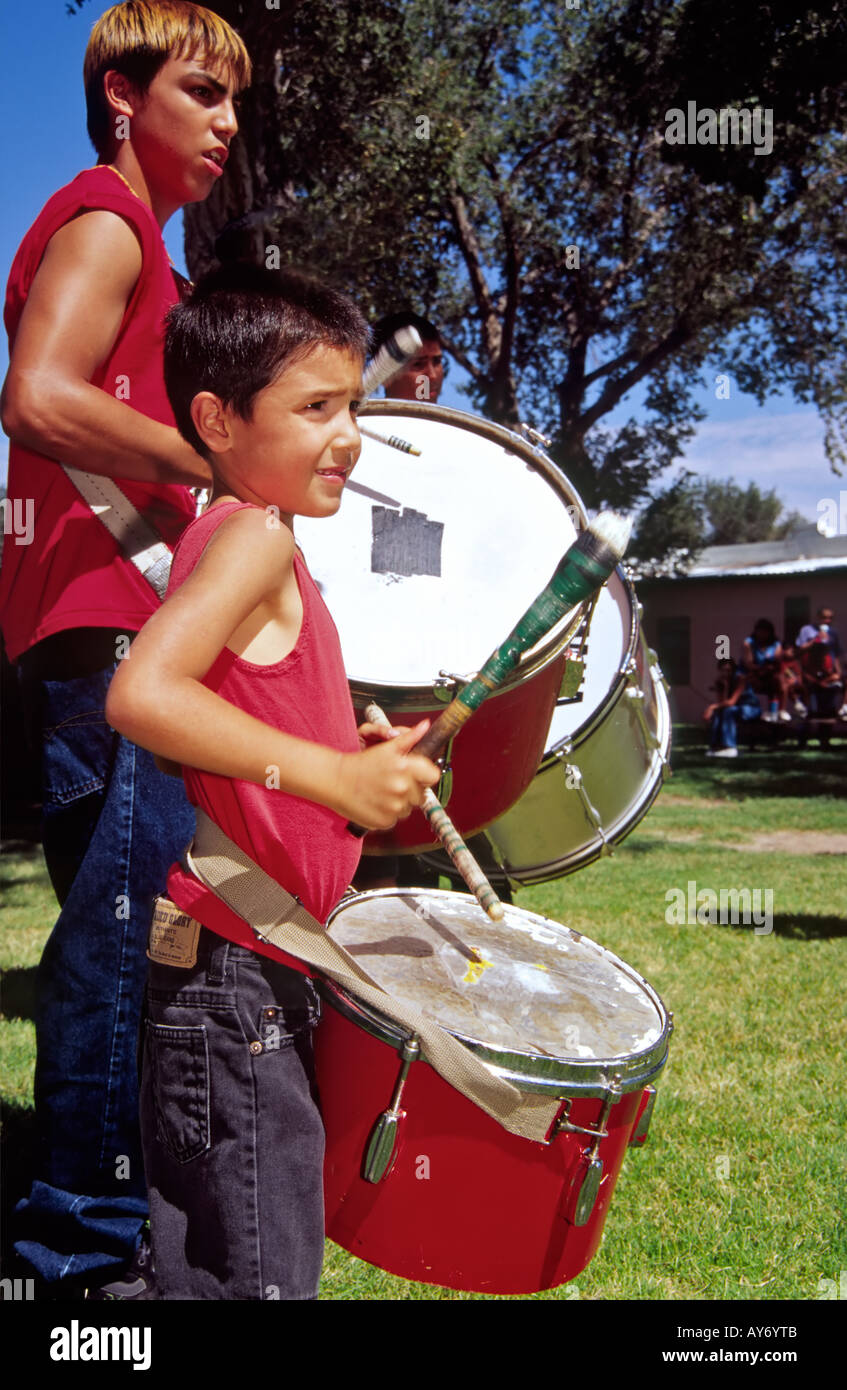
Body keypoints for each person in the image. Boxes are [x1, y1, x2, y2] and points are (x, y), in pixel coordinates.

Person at [105, 264, 441, 1300]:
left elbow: (228, 733)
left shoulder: (258, 542)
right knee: (260, 1272)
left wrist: (355, 769)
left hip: (245, 962)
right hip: (236, 975)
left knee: (215, 1261)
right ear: (216, 418)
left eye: (355, 405)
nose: (348, 435)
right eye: (315, 408)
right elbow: (141, 696)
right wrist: (336, 773)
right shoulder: (251, 537)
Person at [0, 2, 251, 1298]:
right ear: (120, 94)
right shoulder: (102, 217)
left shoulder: (137, 245)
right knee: (120, 933)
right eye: (202, 93)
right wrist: (208, 466)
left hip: (93, 632)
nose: (225, 122)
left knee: (119, 929)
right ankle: (83, 1250)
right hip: (108, 628)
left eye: (231, 101)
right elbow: (39, 396)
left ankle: (96, 1211)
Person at [371, 310, 445, 402]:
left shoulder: (456, 416)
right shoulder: (358, 416)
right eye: (418, 364)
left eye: (437, 361)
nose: (433, 376)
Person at [703, 658, 762, 757]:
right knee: (719, 712)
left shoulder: (740, 679)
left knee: (728, 711)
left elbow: (731, 702)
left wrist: (711, 707)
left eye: (729, 670)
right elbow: (722, 703)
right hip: (735, 708)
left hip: (751, 708)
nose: (726, 673)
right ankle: (715, 746)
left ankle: (730, 747)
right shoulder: (721, 682)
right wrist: (725, 687)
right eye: (723, 670)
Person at [741, 618, 786, 721]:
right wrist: (760, 669)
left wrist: (770, 667)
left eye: (766, 632)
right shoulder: (749, 643)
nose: (763, 634)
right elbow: (748, 663)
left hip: (770, 674)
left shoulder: (776, 644)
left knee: (779, 681)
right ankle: (757, 712)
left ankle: (777, 712)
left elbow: (777, 661)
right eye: (760, 631)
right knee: (752, 683)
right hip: (754, 674)